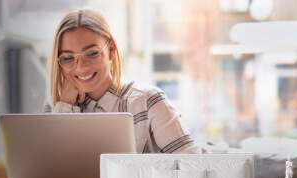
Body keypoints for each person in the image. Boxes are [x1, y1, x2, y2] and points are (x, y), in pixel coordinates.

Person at [44, 9, 201, 154]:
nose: (81, 67)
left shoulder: (148, 101)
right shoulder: (54, 109)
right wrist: (65, 107)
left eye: (91, 53)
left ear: (111, 50)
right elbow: (48, 173)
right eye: (68, 58)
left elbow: (191, 166)